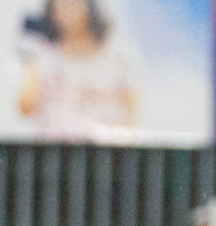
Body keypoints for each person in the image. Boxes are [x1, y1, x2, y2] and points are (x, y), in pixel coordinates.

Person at [18, 0, 137, 141]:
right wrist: (29, 62)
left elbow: (131, 108)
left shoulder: (117, 56)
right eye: (60, 6)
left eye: (73, 4)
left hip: (105, 150)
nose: (67, 12)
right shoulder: (43, 56)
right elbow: (25, 108)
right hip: (54, 150)